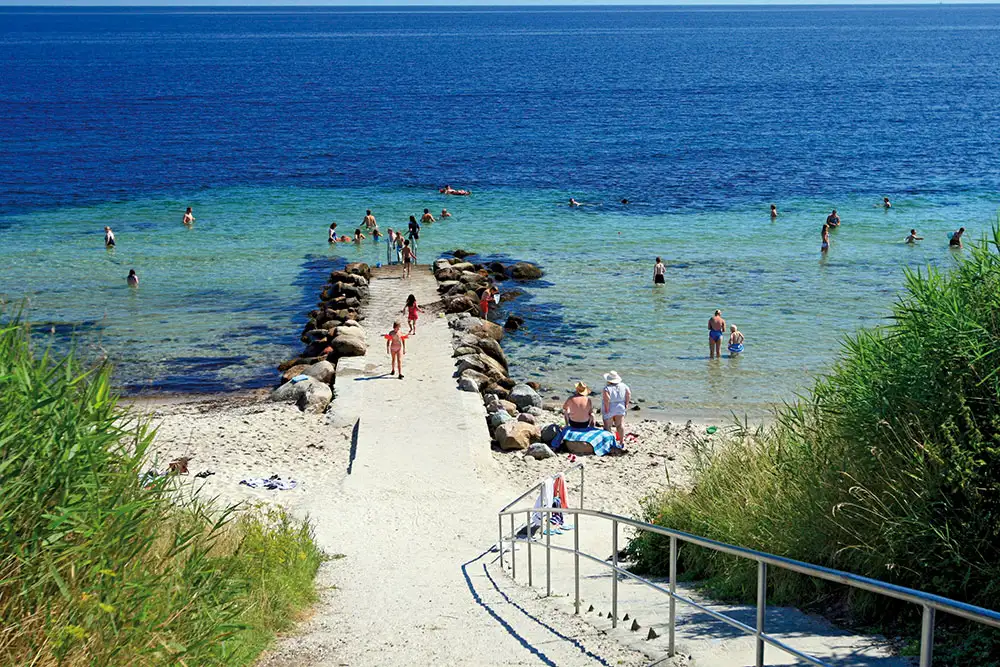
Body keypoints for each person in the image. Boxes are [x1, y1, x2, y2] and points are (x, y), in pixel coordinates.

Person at [601, 371, 631, 443]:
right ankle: (621, 441)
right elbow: (628, 394)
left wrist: (607, 408)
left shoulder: (607, 388)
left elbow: (607, 399)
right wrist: (626, 404)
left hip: (610, 406)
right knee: (620, 425)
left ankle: (609, 442)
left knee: (608, 426)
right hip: (620, 406)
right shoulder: (624, 385)